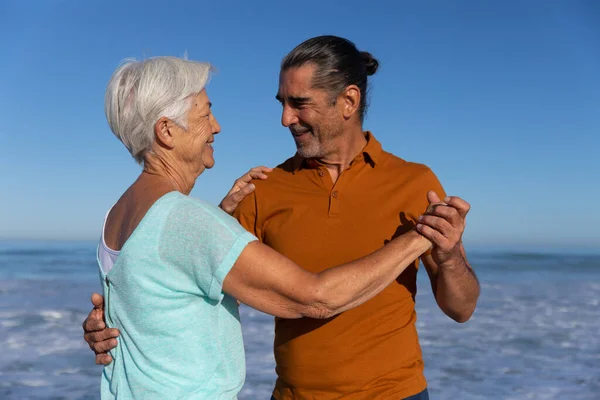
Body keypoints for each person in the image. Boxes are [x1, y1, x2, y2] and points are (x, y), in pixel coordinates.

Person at [85, 36, 480, 400]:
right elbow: (187, 277)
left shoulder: (415, 183)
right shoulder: (264, 189)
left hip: (399, 393)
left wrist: (449, 258)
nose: (285, 118)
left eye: (299, 103)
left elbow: (461, 309)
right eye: (282, 103)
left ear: (348, 101)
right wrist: (115, 322)